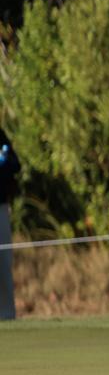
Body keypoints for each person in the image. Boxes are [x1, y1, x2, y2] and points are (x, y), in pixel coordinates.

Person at [0, 126, 19, 321]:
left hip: (0, 207)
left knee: (3, 262)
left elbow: (15, 165)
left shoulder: (0, 135)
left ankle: (6, 315)